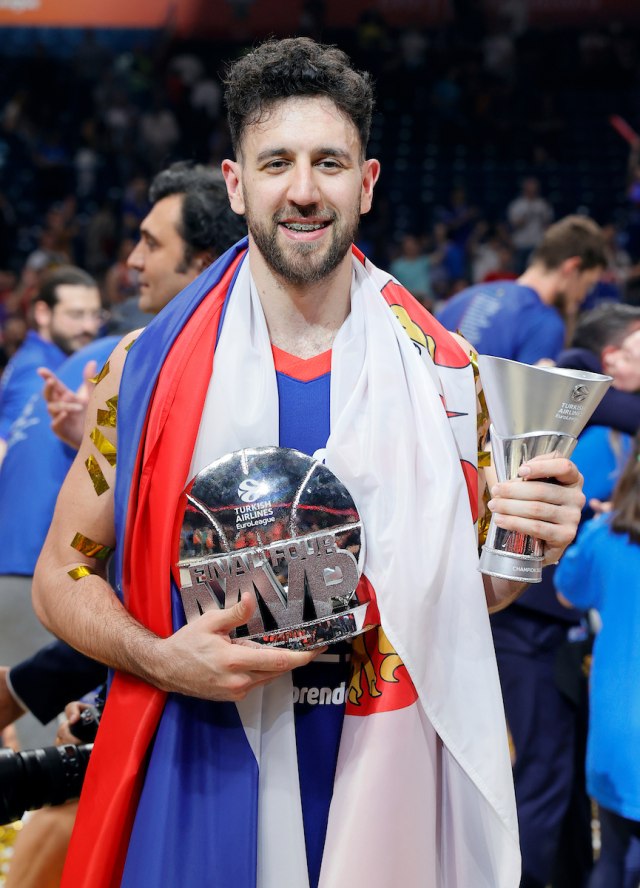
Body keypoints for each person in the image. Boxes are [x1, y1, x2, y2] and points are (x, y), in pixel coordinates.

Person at [33, 38, 584, 888]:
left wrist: (532, 541)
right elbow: (60, 575)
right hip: (207, 759)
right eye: (276, 163)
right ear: (235, 183)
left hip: (387, 777)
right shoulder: (141, 374)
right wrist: (160, 658)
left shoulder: (449, 378)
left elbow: (476, 594)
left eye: (329, 162)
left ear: (366, 182)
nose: (302, 189)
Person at [0, 161, 247, 745]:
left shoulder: (214, 370)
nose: (132, 260)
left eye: (151, 244)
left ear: (203, 262)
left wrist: (34, 689)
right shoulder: (129, 359)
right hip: (61, 595)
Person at [490, 303, 640, 888]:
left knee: (566, 781)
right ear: (612, 357)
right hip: (525, 619)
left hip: (554, 626)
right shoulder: (570, 388)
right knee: (545, 777)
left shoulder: (607, 425)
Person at [555, 432, 640, 888]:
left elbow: (568, 591)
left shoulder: (605, 537)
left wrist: (603, 524)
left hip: (617, 732)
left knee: (611, 860)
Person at [436, 215, 607, 365]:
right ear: (572, 267)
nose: (582, 297)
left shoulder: (464, 298)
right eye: (588, 285)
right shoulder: (545, 323)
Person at [0, 265, 103, 462]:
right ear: (43, 314)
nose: (89, 326)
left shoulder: (48, 356)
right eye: (76, 314)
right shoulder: (38, 370)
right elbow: (6, 442)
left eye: (96, 315)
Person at [507, 176, 554, 273]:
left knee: (536, 269)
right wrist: (525, 218)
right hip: (521, 244)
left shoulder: (542, 204)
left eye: (534, 188)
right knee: (519, 270)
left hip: (537, 243)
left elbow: (548, 224)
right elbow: (513, 225)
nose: (532, 190)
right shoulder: (517, 205)